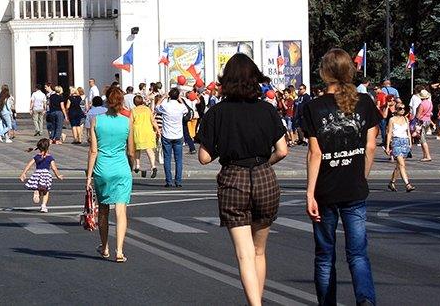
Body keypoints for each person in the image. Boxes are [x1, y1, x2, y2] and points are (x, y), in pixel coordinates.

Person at [196, 54, 290, 306]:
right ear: (254, 79)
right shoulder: (267, 110)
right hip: (264, 177)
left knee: (244, 253)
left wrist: (223, 147)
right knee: (259, 250)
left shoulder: (217, 112)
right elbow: (283, 150)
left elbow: (204, 157)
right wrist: (262, 163)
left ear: (226, 81)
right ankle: (256, 301)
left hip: (233, 178)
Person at [304, 48, 380, 306]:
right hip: (354, 188)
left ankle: (327, 303)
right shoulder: (366, 102)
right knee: (358, 254)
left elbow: (315, 153)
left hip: (325, 189)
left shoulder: (313, 107)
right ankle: (366, 299)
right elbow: (371, 146)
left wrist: (309, 193)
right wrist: (362, 175)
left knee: (325, 256)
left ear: (325, 73)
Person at [86, 86, 134, 262]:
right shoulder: (127, 121)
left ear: (107, 100)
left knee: (104, 210)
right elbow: (130, 151)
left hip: (102, 170)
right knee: (121, 211)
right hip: (122, 170)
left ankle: (105, 246)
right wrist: (131, 166)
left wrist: (89, 176)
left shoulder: (96, 121)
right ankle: (119, 251)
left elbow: (93, 152)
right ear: (121, 101)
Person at [157, 89, 189, 187]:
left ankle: (169, 181)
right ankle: (178, 181)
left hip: (167, 135)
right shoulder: (181, 106)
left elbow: (156, 107)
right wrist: (180, 99)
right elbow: (186, 110)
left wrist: (163, 97)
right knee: (178, 159)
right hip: (178, 135)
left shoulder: (165, 106)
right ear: (178, 96)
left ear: (169, 96)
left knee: (167, 158)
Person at [20, 138, 62, 212]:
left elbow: (29, 164)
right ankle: (43, 206)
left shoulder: (37, 156)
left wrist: (23, 173)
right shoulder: (49, 157)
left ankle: (37, 192)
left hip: (37, 173)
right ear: (48, 147)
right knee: (46, 191)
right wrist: (58, 175)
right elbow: (54, 168)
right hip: (46, 175)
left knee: (39, 187)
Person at [385, 101, 415, 191]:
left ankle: (392, 182)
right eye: (400, 108)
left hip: (405, 142)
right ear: (396, 110)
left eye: (403, 108)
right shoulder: (392, 119)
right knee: (402, 164)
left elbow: (408, 132)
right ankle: (407, 184)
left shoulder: (406, 119)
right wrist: (387, 146)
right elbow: (389, 133)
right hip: (396, 141)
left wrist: (410, 142)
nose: (402, 110)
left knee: (399, 165)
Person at [130, 94, 159, 178]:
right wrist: (157, 130)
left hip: (138, 132)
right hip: (148, 131)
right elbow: (153, 121)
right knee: (149, 150)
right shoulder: (147, 109)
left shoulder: (133, 110)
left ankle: (137, 165)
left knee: (137, 149)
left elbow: (131, 122)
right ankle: (153, 166)